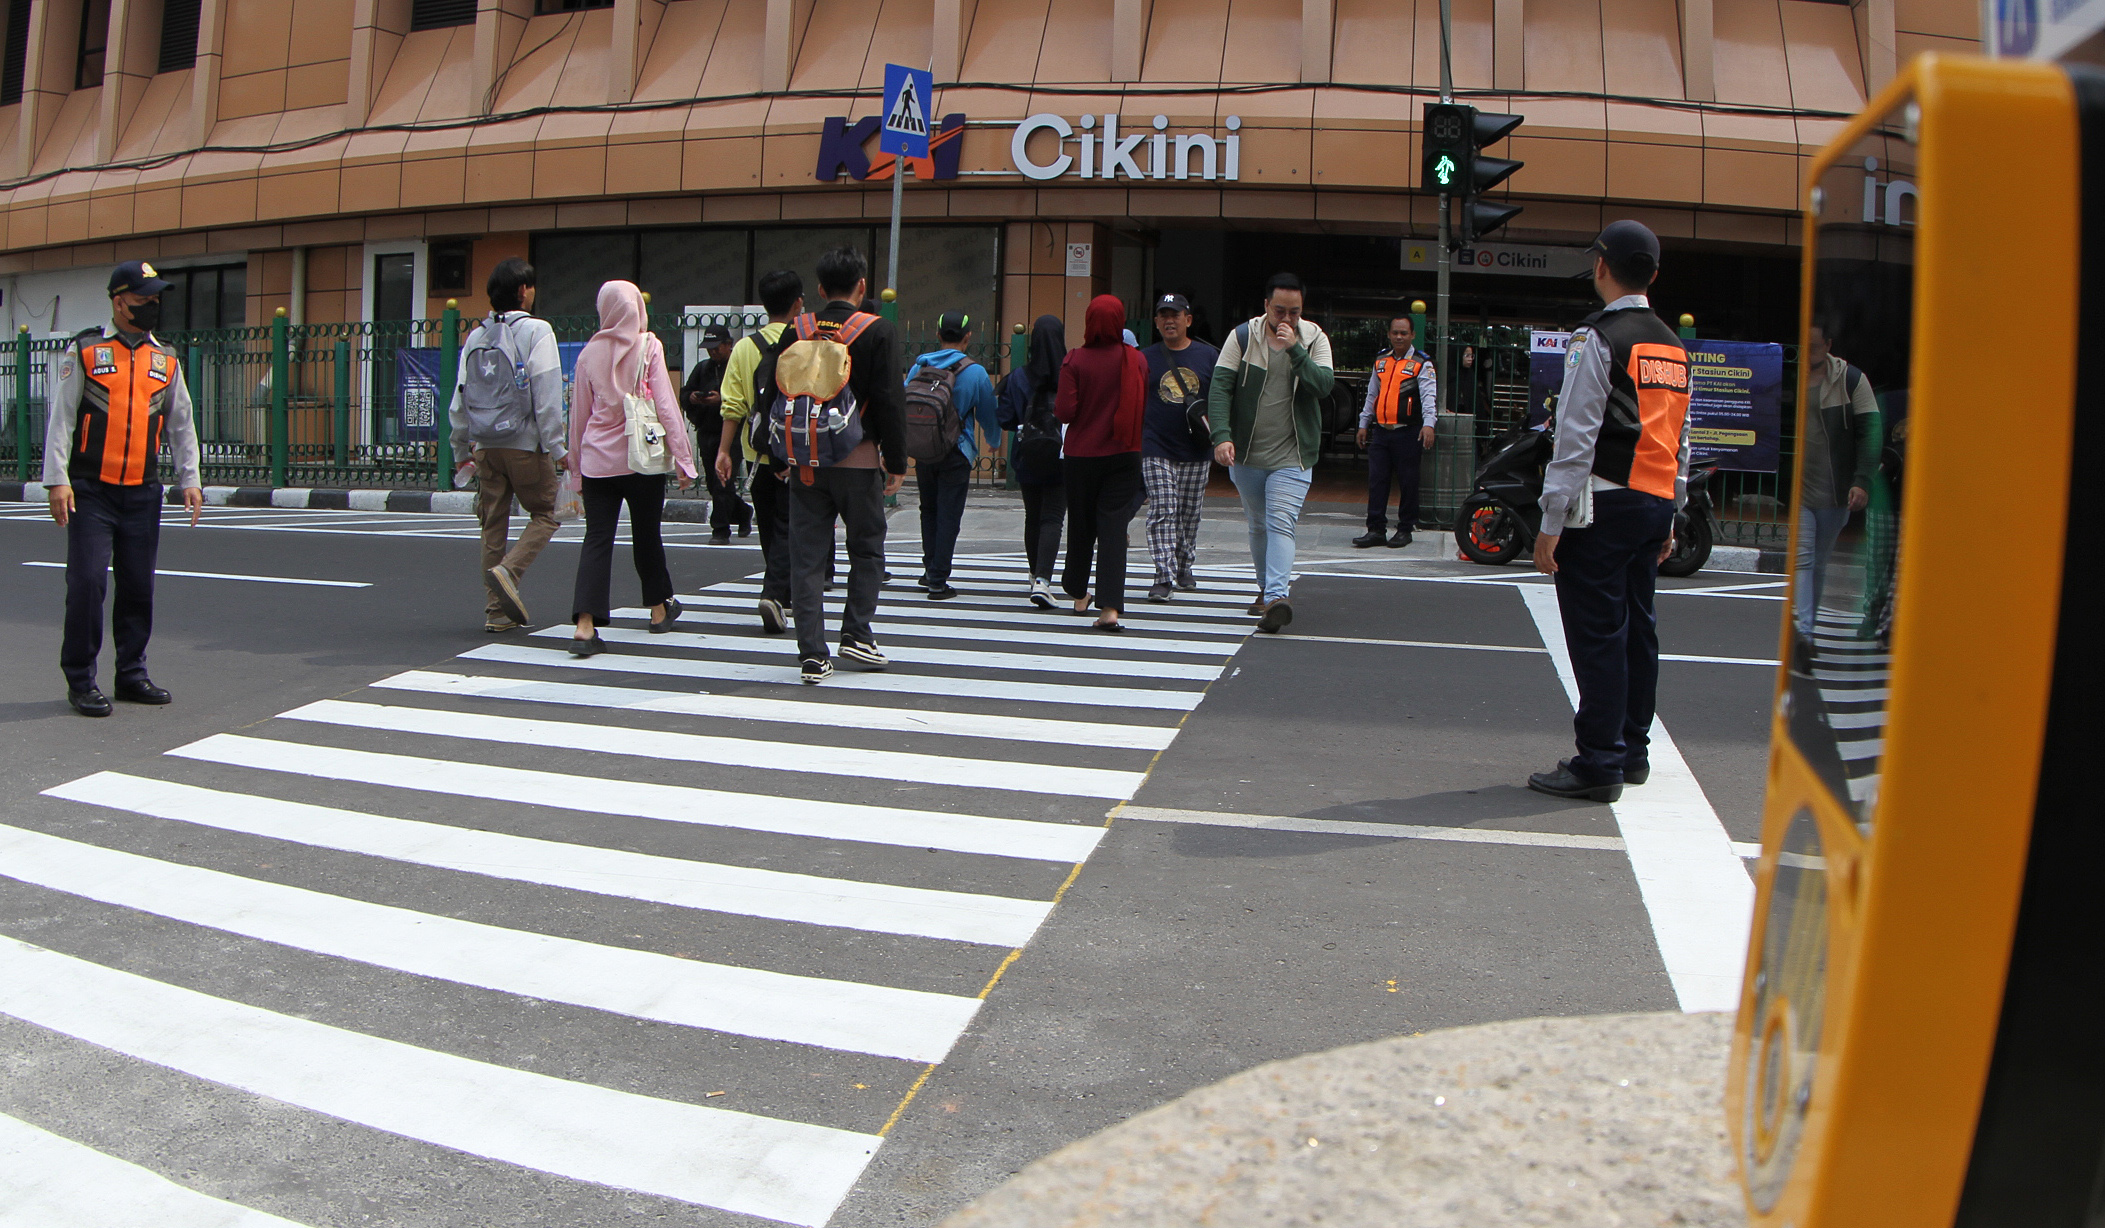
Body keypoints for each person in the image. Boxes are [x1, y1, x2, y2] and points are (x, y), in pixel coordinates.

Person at [1526, 220, 1693, 803]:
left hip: (1602, 503)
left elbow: (1574, 439)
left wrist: (1550, 522)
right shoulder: (1671, 345)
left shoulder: (1598, 338)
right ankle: (1633, 750)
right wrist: (1673, 511)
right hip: (1653, 502)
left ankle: (1599, 761)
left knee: (1598, 635)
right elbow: (1680, 440)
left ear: (1601, 265)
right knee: (1637, 632)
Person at [44, 260, 204, 717]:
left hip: (142, 491)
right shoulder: (88, 350)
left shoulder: (165, 357)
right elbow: (64, 419)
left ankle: (131, 674)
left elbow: (180, 421)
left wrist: (188, 477)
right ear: (119, 301)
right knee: (88, 582)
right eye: (144, 299)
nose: (153, 306)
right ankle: (81, 679)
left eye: (156, 299)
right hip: (91, 490)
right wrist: (58, 480)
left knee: (137, 586)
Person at [780, 246, 907, 683]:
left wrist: (780, 453)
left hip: (806, 461)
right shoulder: (878, 331)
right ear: (862, 286)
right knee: (867, 547)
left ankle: (812, 654)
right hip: (859, 458)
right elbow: (890, 401)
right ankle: (856, 632)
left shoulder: (796, 329)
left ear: (818, 289)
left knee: (808, 558)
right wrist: (895, 460)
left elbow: (772, 393)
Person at [565, 280, 696, 656]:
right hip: (643, 460)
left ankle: (585, 625)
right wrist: (683, 459)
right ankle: (658, 611)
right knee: (646, 533)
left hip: (597, 462)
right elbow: (667, 407)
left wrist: (575, 470)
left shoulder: (589, 353)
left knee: (597, 539)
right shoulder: (648, 345)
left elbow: (579, 416)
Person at [1205, 272, 1335, 633]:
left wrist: (1294, 347)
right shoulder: (1242, 336)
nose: (1286, 319)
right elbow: (1220, 390)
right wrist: (1222, 436)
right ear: (1266, 306)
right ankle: (1266, 591)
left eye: (1294, 312)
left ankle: (1277, 596)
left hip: (1293, 455)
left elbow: (1324, 386)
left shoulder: (1313, 339)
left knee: (1281, 521)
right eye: (1280, 311)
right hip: (1246, 453)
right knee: (1258, 524)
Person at [448, 257, 566, 633]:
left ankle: (496, 613)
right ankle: (509, 572)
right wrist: (558, 449)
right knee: (548, 513)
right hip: (525, 445)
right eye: (530, 286)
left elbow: (459, 399)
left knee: (492, 525)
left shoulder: (476, 336)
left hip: (484, 445)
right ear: (523, 291)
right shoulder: (537, 331)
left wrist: (461, 450)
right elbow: (547, 398)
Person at [716, 269, 804, 634]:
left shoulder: (744, 348)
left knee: (769, 525)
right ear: (798, 302)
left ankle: (780, 594)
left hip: (756, 455)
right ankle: (775, 593)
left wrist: (724, 451)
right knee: (791, 527)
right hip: (795, 454)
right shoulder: (803, 343)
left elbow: (732, 406)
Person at [1054, 294, 1148, 631]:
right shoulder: (1135, 359)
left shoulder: (1075, 360)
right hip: (1125, 453)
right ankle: (1110, 608)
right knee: (1112, 528)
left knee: (1081, 525)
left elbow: (1064, 411)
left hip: (1081, 456)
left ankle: (1079, 591)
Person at [904, 311, 1000, 600]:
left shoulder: (918, 368)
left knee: (928, 509)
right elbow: (988, 413)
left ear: (938, 334)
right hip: (957, 451)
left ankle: (929, 567)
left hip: (923, 450)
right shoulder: (975, 372)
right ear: (968, 337)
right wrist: (993, 441)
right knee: (949, 514)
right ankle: (938, 578)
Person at [1794, 321, 1881, 639]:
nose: (1809, 352)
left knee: (1818, 561)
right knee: (1804, 558)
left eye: (1815, 346)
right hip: (1800, 489)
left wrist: (1862, 480)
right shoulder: (1793, 375)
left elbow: (1871, 430)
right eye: (1805, 346)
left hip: (1834, 492)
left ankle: (1809, 623)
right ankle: (1804, 632)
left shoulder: (1850, 379)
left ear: (1829, 345)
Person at [1139, 293, 1218, 601]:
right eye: (1163, 315)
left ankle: (1184, 564)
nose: (1169, 320)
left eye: (1176, 314)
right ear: (1157, 322)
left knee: (1188, 512)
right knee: (1163, 508)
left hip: (1196, 447)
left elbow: (1222, 399)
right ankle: (1163, 575)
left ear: (1188, 320)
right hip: (1155, 445)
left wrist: (1222, 436)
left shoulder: (1209, 356)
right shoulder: (1144, 358)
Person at [997, 313, 1068, 608]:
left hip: (1027, 456)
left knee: (1033, 516)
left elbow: (1004, 418)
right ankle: (1043, 579)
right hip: (1061, 455)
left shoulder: (1017, 377)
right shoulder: (1070, 374)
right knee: (1053, 517)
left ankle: (1032, 573)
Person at [1353, 315, 1438, 548]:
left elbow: (1429, 396)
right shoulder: (1381, 360)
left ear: (1412, 335)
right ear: (1389, 334)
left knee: (1408, 482)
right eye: (1395, 332)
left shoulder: (1422, 363)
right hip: (1381, 432)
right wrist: (1363, 423)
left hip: (1408, 432)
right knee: (1376, 481)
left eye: (1403, 333)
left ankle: (1405, 529)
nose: (1399, 337)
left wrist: (1429, 424)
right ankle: (1375, 529)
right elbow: (1372, 394)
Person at [681, 322, 753, 545]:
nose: (713, 352)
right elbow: (684, 394)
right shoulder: (703, 368)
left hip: (732, 432)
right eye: (710, 348)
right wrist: (693, 397)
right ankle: (742, 512)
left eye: (717, 347)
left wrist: (721, 400)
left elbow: (744, 397)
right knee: (713, 483)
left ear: (729, 345)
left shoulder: (738, 365)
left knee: (724, 481)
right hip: (707, 431)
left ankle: (720, 529)